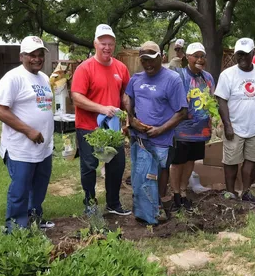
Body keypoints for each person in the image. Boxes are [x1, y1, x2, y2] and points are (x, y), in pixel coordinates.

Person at [0, 36, 55, 231]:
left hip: (43, 146)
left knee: (39, 187)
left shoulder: (44, 78)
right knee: (20, 190)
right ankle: (16, 228)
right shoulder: (13, 78)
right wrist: (28, 130)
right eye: (31, 55)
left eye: (40, 55)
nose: (37, 59)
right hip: (21, 147)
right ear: (22, 56)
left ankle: (34, 219)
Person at [71, 24, 131, 216]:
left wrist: (128, 114)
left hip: (112, 129)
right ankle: (90, 203)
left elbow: (125, 95)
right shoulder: (85, 68)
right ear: (95, 43)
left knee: (117, 164)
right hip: (88, 127)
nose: (107, 47)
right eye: (103, 43)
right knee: (89, 166)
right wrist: (101, 108)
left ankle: (113, 203)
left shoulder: (120, 68)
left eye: (110, 44)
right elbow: (76, 97)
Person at [124, 41, 188, 220]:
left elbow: (182, 112)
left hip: (161, 139)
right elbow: (127, 96)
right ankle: (142, 207)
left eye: (152, 60)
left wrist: (160, 129)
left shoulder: (172, 79)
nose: (148, 64)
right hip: (139, 137)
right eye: (144, 60)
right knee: (140, 172)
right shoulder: (136, 78)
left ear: (161, 57)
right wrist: (131, 118)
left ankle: (157, 205)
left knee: (158, 171)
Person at [215, 38, 255, 203]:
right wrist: (227, 125)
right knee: (231, 160)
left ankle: (246, 191)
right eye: (238, 54)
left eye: (245, 54)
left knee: (252, 160)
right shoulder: (227, 74)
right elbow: (222, 101)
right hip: (234, 126)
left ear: (253, 53)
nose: (241, 58)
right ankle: (230, 191)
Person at [169, 42, 215, 213]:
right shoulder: (178, 76)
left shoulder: (208, 78)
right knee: (177, 163)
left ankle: (183, 191)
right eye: (196, 56)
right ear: (187, 57)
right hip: (181, 129)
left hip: (200, 130)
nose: (200, 59)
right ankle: (175, 195)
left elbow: (211, 101)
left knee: (190, 162)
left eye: (202, 56)